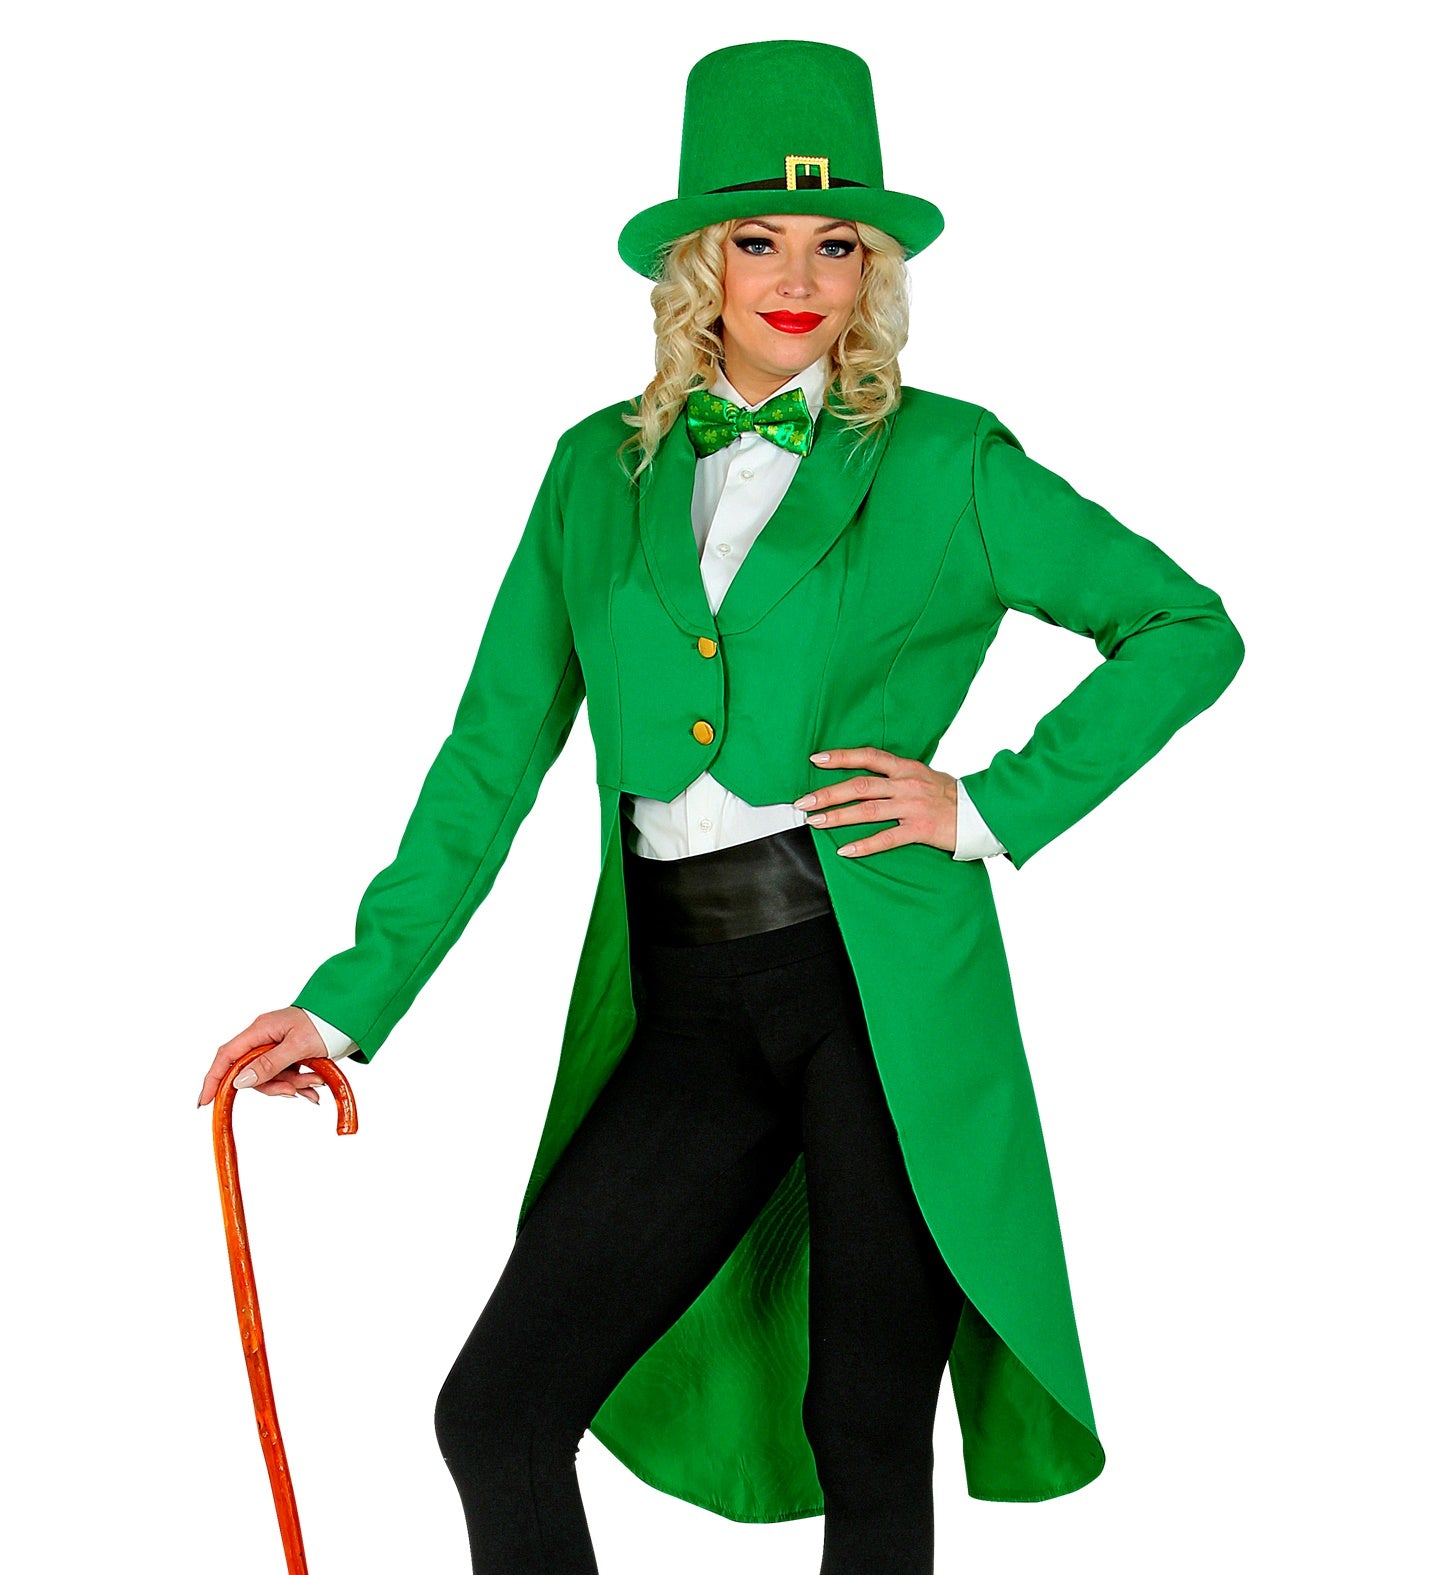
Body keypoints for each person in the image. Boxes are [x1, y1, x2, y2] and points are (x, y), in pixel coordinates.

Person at [199, 38, 1244, 1575]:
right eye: (758, 239)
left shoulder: (946, 459)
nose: (798, 277)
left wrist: (990, 804)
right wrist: (346, 1002)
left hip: (875, 994)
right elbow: (489, 756)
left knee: (864, 1429)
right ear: (698, 259)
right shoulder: (590, 472)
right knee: (499, 1413)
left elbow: (1183, 628)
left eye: (837, 244)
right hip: (687, 999)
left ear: (874, 267)